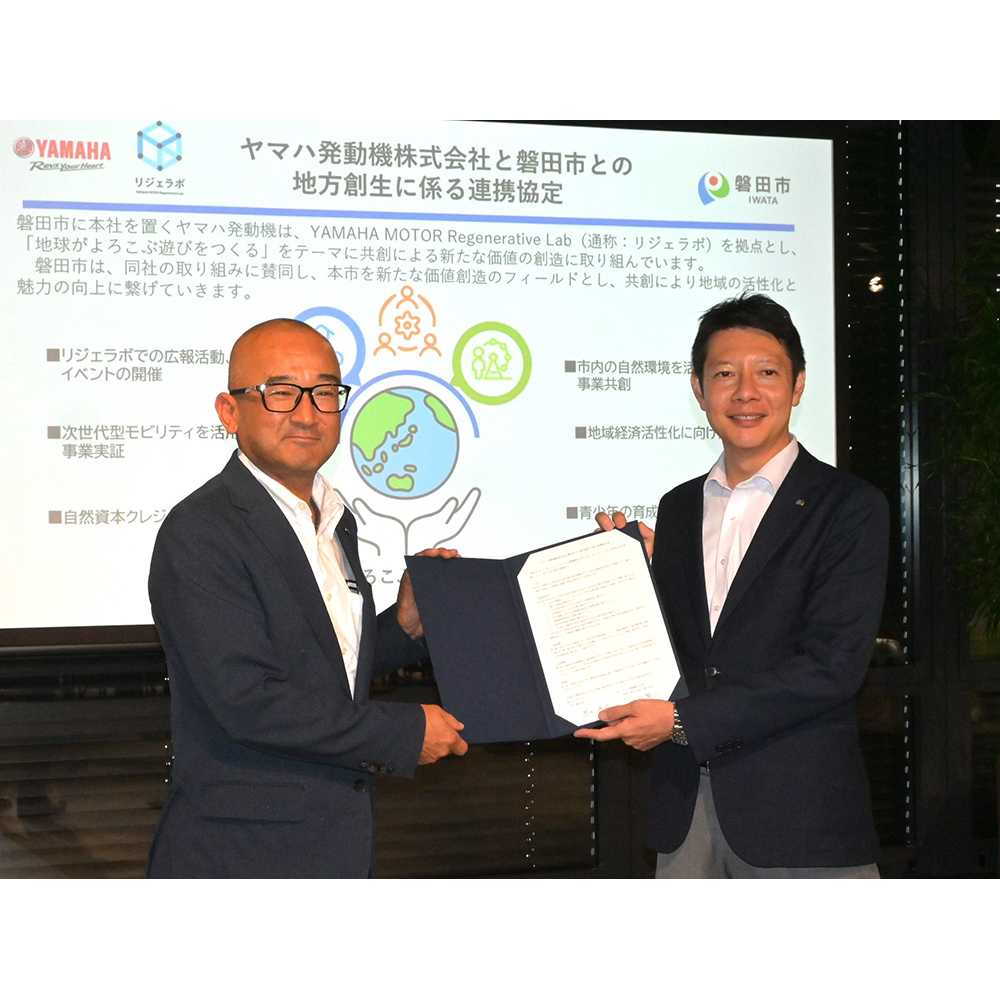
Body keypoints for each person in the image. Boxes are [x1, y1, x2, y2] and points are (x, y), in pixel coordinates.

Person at [577, 294, 888, 877]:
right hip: (683, 810)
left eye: (766, 373)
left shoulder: (849, 507)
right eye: (724, 374)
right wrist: (623, 583)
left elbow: (832, 667)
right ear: (699, 390)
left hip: (799, 814)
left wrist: (681, 723)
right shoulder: (677, 508)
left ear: (797, 386)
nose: (745, 392)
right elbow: (684, 648)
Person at [147, 318, 467, 877]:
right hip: (242, 854)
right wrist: (405, 732)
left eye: (324, 392)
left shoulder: (335, 520)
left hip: (334, 838)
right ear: (229, 411)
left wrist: (404, 626)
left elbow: (319, 664)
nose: (306, 412)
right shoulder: (201, 530)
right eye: (280, 392)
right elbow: (248, 700)